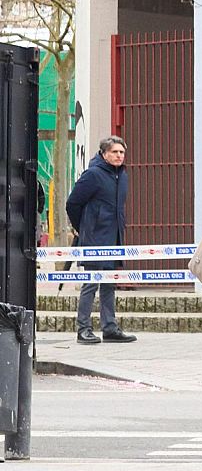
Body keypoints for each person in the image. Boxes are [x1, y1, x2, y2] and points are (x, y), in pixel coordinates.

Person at [66, 136, 136, 344]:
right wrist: (83, 228)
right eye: (115, 152)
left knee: (109, 284)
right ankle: (83, 329)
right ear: (104, 154)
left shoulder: (122, 175)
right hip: (95, 238)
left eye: (122, 152)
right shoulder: (93, 175)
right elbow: (73, 203)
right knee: (91, 283)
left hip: (114, 238)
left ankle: (110, 328)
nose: (119, 156)